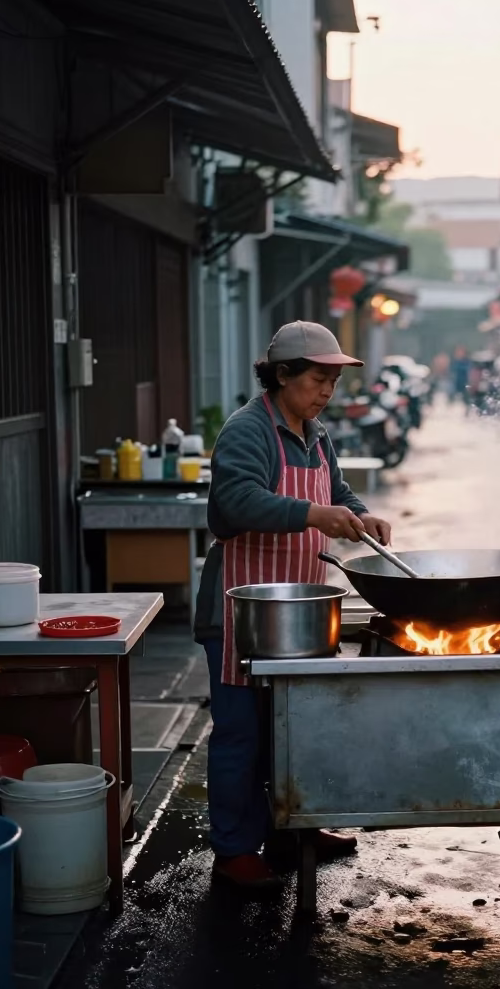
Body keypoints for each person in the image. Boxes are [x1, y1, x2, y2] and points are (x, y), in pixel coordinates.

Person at [194, 320, 392, 891]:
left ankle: (292, 831)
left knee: (296, 728)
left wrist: (361, 513)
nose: (328, 392)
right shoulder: (248, 429)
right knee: (241, 734)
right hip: (242, 610)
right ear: (283, 375)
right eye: (318, 379)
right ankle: (234, 850)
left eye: (333, 381)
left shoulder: (316, 432)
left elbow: (337, 493)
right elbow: (232, 504)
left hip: (302, 604)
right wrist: (312, 515)